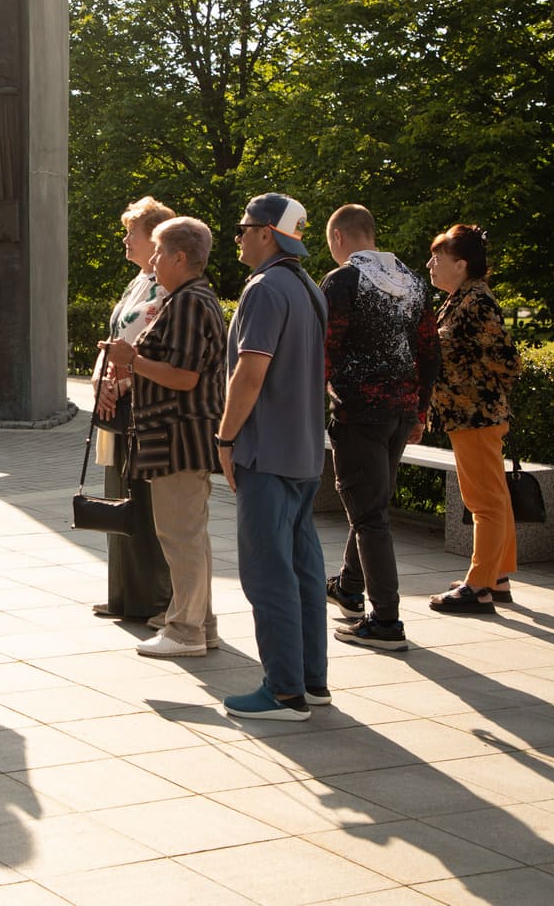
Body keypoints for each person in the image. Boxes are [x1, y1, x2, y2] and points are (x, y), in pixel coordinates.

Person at [216, 193, 330, 721]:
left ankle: (283, 693)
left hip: (267, 453)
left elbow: (251, 371)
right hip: (305, 452)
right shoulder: (309, 287)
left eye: (244, 228)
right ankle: (311, 681)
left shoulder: (263, 288)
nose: (238, 236)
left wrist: (224, 437)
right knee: (304, 570)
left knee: (269, 575)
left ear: (267, 233)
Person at [100, 217, 227, 658]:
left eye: (158, 253)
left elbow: (185, 377)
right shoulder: (187, 300)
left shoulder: (189, 302)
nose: (152, 262)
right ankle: (201, 624)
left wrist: (130, 360)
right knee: (189, 534)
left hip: (178, 436)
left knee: (181, 536)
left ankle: (185, 631)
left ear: (179, 257)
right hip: (179, 436)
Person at [321, 204, 440, 651]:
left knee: (370, 515)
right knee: (372, 503)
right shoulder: (412, 282)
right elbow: (430, 353)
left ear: (338, 240)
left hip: (358, 412)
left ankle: (386, 621)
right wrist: (421, 410)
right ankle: (349, 588)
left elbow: (325, 351)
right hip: (402, 409)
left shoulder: (343, 281)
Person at [426, 224, 523, 613]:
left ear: (460, 264)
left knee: (483, 501)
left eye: (438, 257)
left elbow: (509, 362)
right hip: (469, 416)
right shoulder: (460, 298)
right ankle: (497, 576)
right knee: (492, 497)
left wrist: (478, 387)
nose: (431, 264)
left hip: (477, 416)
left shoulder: (476, 302)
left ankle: (479, 585)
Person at [89, 196, 177, 624]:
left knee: (142, 503)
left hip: (142, 405)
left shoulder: (166, 289)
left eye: (132, 233)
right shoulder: (139, 282)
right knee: (118, 498)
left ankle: (154, 599)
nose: (125, 239)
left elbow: (153, 348)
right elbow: (114, 336)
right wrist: (100, 381)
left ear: (156, 239)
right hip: (118, 403)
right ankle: (124, 595)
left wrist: (119, 382)